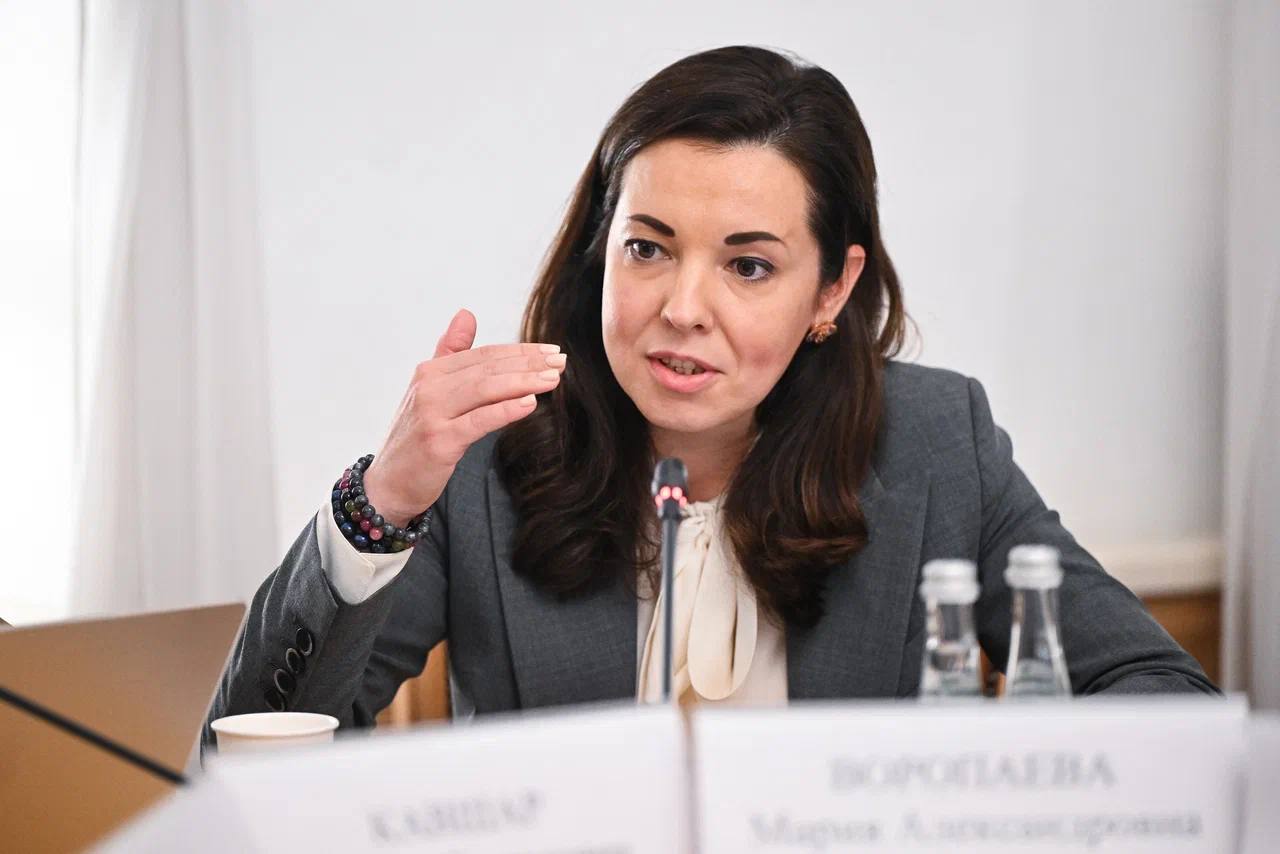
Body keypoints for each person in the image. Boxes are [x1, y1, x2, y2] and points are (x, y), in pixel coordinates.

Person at [205, 45, 1215, 741]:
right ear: (600, 248)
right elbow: (247, 759)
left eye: (748, 266)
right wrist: (379, 503)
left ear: (832, 289)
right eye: (647, 249)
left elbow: (1166, 697)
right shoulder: (490, 456)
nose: (682, 309)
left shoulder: (937, 443)